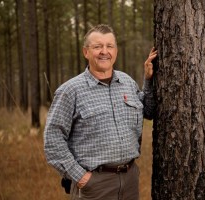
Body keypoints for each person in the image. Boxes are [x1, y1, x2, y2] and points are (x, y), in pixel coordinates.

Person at [44, 24, 157, 200]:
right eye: (97, 46)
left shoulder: (127, 82)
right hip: (94, 186)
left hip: (130, 181)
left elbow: (149, 111)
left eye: (109, 46)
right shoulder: (70, 91)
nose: (104, 51)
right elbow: (53, 139)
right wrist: (81, 177)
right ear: (86, 52)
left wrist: (148, 80)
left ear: (116, 51)